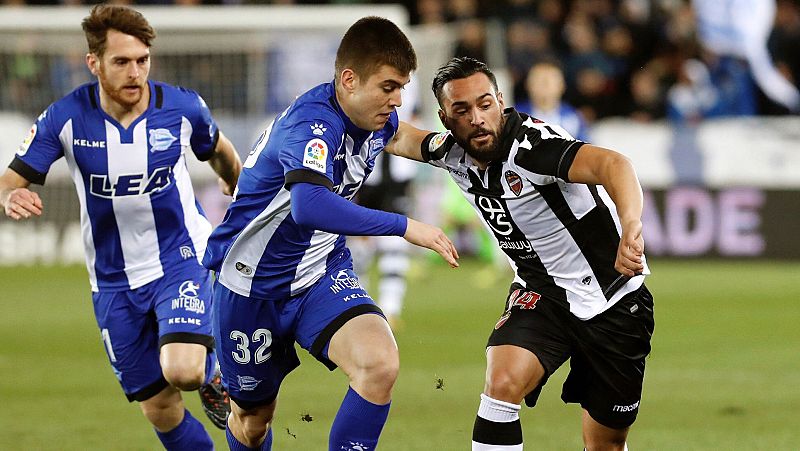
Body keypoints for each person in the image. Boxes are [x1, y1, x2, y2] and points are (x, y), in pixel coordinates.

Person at [202, 17, 458, 451]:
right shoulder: (313, 126)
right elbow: (309, 206)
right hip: (251, 286)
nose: (397, 100)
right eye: (389, 87)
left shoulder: (371, 118)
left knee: (379, 364)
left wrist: (458, 149)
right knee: (253, 421)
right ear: (349, 79)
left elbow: (403, 138)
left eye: (402, 87)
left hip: (321, 273)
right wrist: (405, 226)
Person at [0, 5, 241, 449]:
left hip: (179, 259)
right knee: (161, 410)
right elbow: (10, 179)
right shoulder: (65, 117)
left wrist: (234, 179)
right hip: (112, 281)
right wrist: (9, 194)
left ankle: (214, 375)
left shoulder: (182, 106)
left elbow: (218, 147)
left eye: (142, 60)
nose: (136, 72)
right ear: (94, 63)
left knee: (183, 370)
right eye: (122, 62)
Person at [386, 57, 654, 450]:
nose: (476, 118)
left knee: (605, 444)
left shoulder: (532, 148)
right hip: (541, 292)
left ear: (499, 100)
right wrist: (344, 102)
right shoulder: (450, 153)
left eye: (484, 104)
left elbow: (614, 165)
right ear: (446, 119)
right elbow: (395, 136)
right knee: (501, 383)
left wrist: (631, 224)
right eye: (461, 110)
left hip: (612, 299)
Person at [516, 60, 590, 141]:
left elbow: (584, 147)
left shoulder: (574, 117)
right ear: (527, 85)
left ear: (562, 86)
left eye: (548, 82)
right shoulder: (516, 117)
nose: (544, 87)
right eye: (538, 81)